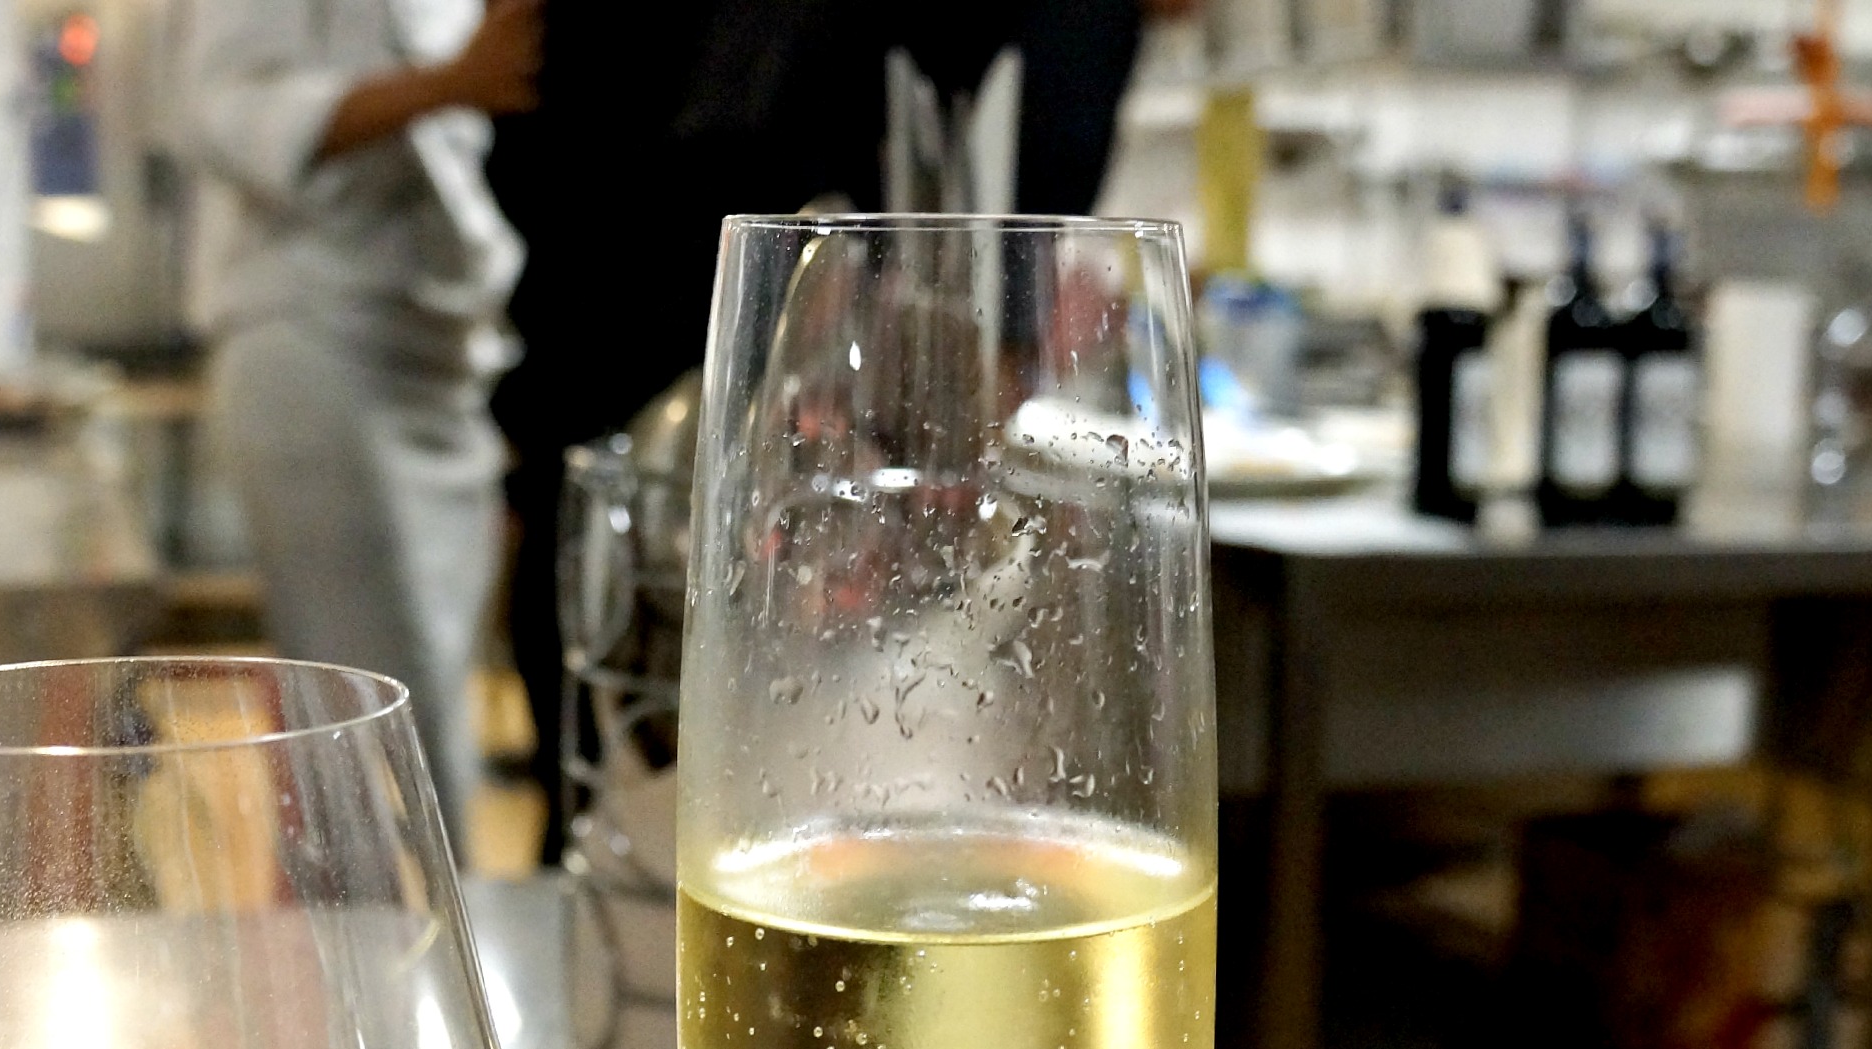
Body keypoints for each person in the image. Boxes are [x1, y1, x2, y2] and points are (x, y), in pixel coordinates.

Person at [489, 0, 1174, 863]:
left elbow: (523, 137)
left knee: (630, 799)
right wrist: (997, 347)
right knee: (805, 805)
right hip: (735, 398)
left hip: (605, 367)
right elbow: (1045, 144)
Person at [166, 0, 543, 841]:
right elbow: (223, 111)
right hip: (318, 333)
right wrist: (447, 84)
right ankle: (402, 915)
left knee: (428, 707)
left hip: (441, 349)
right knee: (375, 727)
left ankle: (417, 909)